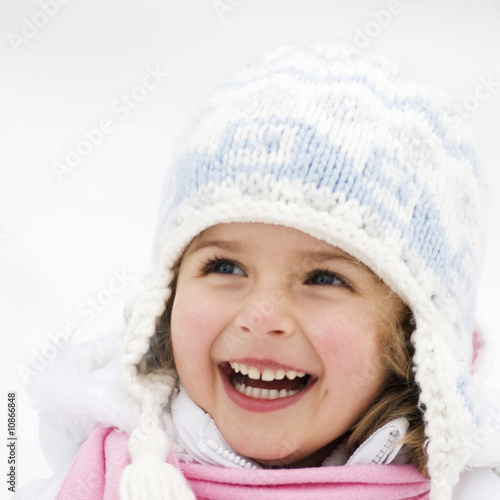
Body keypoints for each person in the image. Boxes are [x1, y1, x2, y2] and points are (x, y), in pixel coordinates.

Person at [14, 41, 500, 500]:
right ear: (167, 295)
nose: (262, 314)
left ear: (415, 333)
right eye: (224, 265)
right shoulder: (99, 479)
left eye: (325, 279)